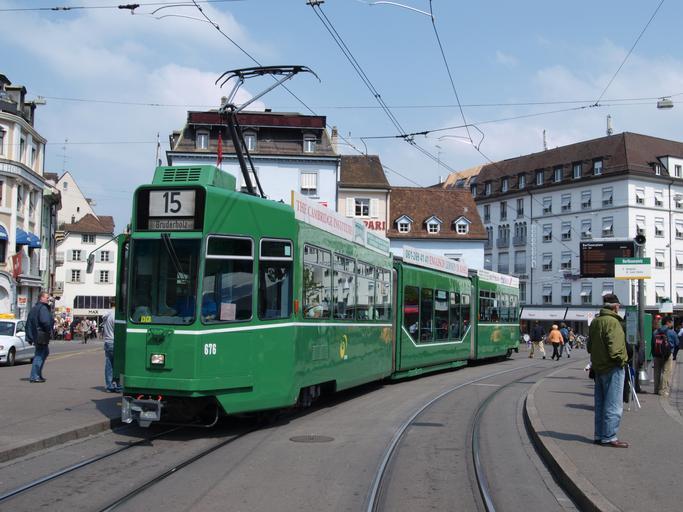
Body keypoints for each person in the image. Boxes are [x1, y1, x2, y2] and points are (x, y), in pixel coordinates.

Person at [587, 293, 628, 448]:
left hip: (598, 368)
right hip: (613, 367)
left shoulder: (595, 322)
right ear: (615, 306)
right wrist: (621, 360)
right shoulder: (614, 322)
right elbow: (615, 348)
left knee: (600, 404)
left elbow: (589, 346)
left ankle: (599, 435)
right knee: (614, 404)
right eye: (618, 306)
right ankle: (610, 437)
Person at [27, 292, 53, 383]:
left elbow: (29, 322)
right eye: (47, 297)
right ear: (41, 298)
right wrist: (49, 330)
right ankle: (35, 376)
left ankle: (37, 374)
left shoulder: (35, 308)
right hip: (41, 334)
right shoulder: (43, 308)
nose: (48, 299)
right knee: (39, 355)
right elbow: (45, 321)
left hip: (37, 334)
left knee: (44, 352)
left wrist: (30, 336)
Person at [651, 316, 677, 397]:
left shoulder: (655, 332)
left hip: (657, 354)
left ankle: (656, 389)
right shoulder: (671, 332)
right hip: (667, 355)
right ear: (668, 322)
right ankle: (663, 390)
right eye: (671, 322)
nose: (672, 323)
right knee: (666, 372)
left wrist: (654, 354)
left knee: (657, 372)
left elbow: (652, 344)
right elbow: (677, 343)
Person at [102, 302, 121, 393]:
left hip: (107, 341)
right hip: (114, 341)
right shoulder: (115, 315)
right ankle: (118, 385)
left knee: (109, 364)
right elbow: (118, 330)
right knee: (118, 364)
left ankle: (109, 385)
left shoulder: (107, 315)